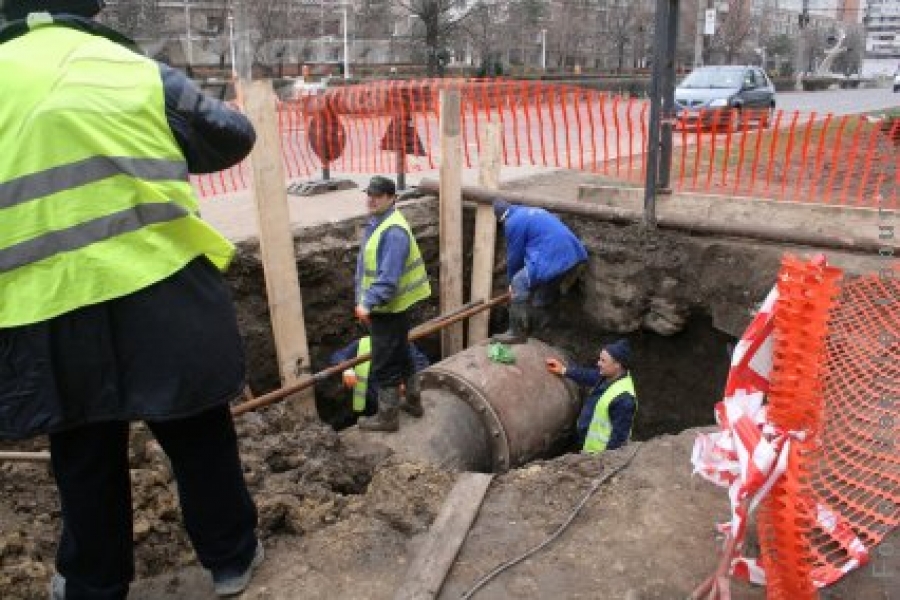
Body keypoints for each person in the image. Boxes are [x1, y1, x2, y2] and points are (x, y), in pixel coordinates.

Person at [0, 1, 261, 598]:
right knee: (198, 433)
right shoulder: (132, 69)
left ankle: (95, 582)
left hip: (47, 308)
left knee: (83, 448)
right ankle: (231, 560)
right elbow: (231, 136)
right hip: (161, 284)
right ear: (89, 10)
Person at [354, 176, 432, 432]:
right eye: (369, 194)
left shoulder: (393, 231)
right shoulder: (379, 223)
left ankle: (388, 417)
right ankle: (414, 401)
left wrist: (367, 303)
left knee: (385, 361)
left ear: (392, 198)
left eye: (377, 195)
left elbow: (387, 279)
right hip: (393, 307)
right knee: (402, 351)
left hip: (388, 308)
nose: (371, 199)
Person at [492, 200, 588, 344]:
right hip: (573, 253)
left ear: (501, 218)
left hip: (552, 256)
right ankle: (540, 331)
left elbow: (515, 256)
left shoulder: (512, 222)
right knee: (543, 292)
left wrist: (511, 282)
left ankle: (516, 333)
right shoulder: (531, 211)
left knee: (519, 282)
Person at [546, 339, 638, 454]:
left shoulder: (624, 399)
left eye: (603, 361)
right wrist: (564, 370)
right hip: (587, 447)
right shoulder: (609, 377)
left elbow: (618, 439)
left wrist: (605, 462)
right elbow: (588, 375)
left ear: (617, 365)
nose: (598, 363)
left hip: (598, 457)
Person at [330, 336, 429, 417]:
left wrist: (405, 382)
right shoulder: (364, 344)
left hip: (400, 402)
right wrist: (346, 369)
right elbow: (337, 355)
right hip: (371, 406)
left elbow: (422, 363)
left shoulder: (401, 344)